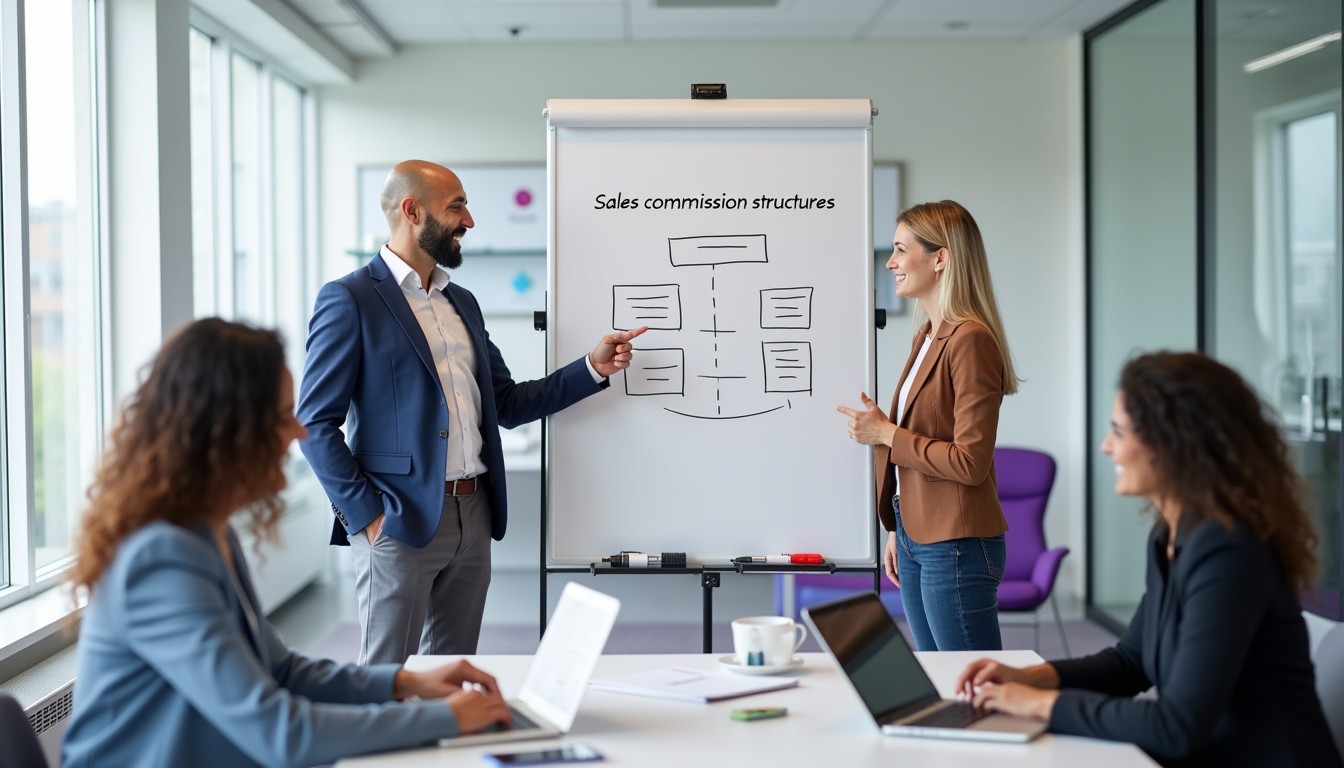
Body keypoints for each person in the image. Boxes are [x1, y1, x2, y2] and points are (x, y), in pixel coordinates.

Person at [62, 318, 513, 768]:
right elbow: (283, 734)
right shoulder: (160, 560)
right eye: (282, 417)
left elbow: (281, 670)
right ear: (224, 431)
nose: (300, 432)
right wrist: (443, 719)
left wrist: (407, 682)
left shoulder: (208, 533)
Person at [298, 160, 646, 664]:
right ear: (412, 211)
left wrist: (591, 368)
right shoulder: (350, 299)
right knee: (387, 676)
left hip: (473, 515)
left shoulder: (463, 302)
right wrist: (367, 517)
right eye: (456, 206)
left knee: (455, 670)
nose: (469, 221)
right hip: (398, 518)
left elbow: (505, 403)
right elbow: (313, 424)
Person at [955, 351, 1340, 768]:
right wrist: (1028, 678)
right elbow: (1130, 662)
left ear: (1174, 444)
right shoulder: (1170, 535)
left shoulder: (1229, 552)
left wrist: (1039, 705)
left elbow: (1176, 727)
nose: (1106, 447)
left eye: (1118, 432)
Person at [836, 199, 1018, 651]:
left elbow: (970, 462)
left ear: (940, 258)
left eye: (901, 249)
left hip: (955, 543)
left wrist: (886, 434)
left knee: (969, 686)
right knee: (940, 680)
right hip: (919, 535)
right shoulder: (926, 336)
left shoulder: (971, 339)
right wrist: (899, 529)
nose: (892, 262)